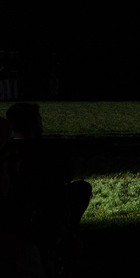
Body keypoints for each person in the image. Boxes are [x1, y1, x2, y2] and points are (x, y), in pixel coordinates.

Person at [1, 102, 92, 278]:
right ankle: (69, 233)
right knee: (81, 189)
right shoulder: (49, 149)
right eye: (39, 118)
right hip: (45, 207)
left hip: (21, 208)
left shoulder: (8, 148)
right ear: (34, 122)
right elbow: (66, 175)